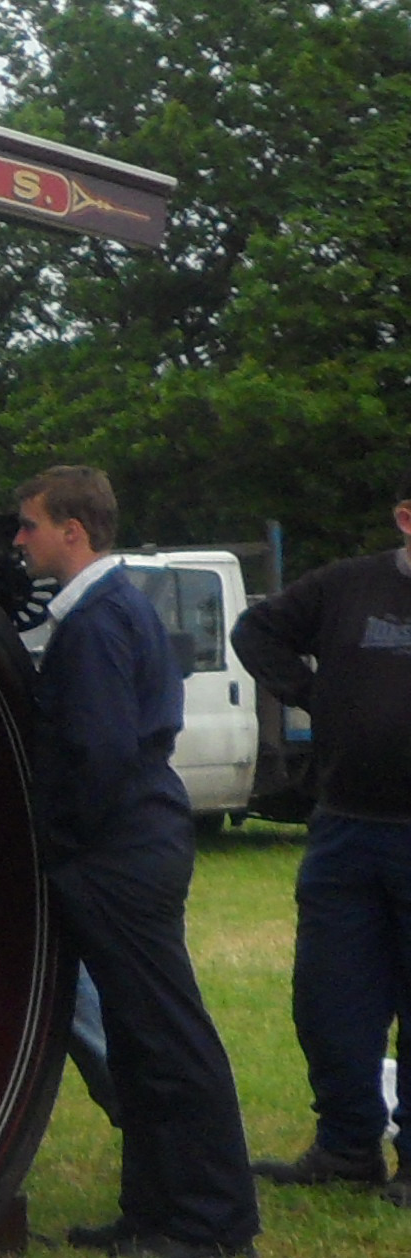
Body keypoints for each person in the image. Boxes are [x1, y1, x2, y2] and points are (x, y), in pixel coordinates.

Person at [13, 465, 261, 1258]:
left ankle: (212, 1223)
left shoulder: (96, 622)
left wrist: (58, 840)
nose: (19, 539)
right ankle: (153, 1213)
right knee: (135, 1033)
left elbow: (99, 750)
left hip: (118, 850)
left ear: (72, 531)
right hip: (134, 839)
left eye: (29, 524)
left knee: (165, 1036)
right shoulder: (118, 608)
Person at [234, 469, 411, 1203]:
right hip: (345, 828)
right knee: (329, 998)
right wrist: (314, 694)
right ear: (406, 517)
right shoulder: (346, 586)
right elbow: (255, 631)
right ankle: (345, 1147)